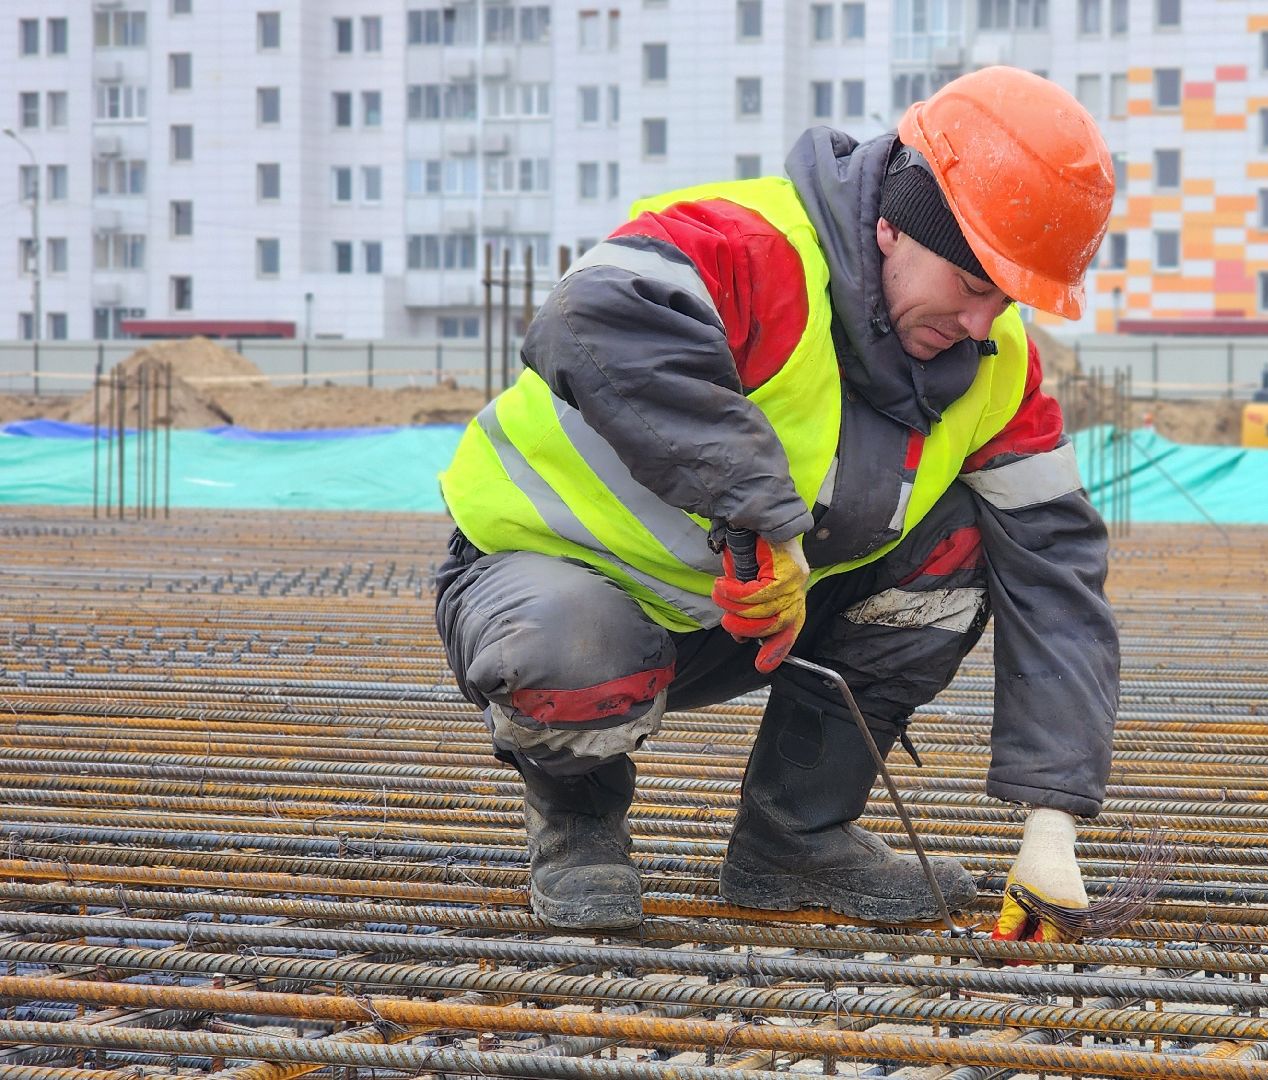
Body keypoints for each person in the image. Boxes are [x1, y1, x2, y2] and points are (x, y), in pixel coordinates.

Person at [433, 66, 1119, 943]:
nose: (984, 323)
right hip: (549, 586)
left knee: (963, 544)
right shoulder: (749, 245)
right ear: (893, 225)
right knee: (576, 644)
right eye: (973, 284)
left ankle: (795, 838)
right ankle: (579, 829)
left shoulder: (997, 363)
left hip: (750, 618)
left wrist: (1051, 824)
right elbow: (589, 321)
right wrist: (766, 520)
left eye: (1007, 297)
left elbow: (1056, 567)